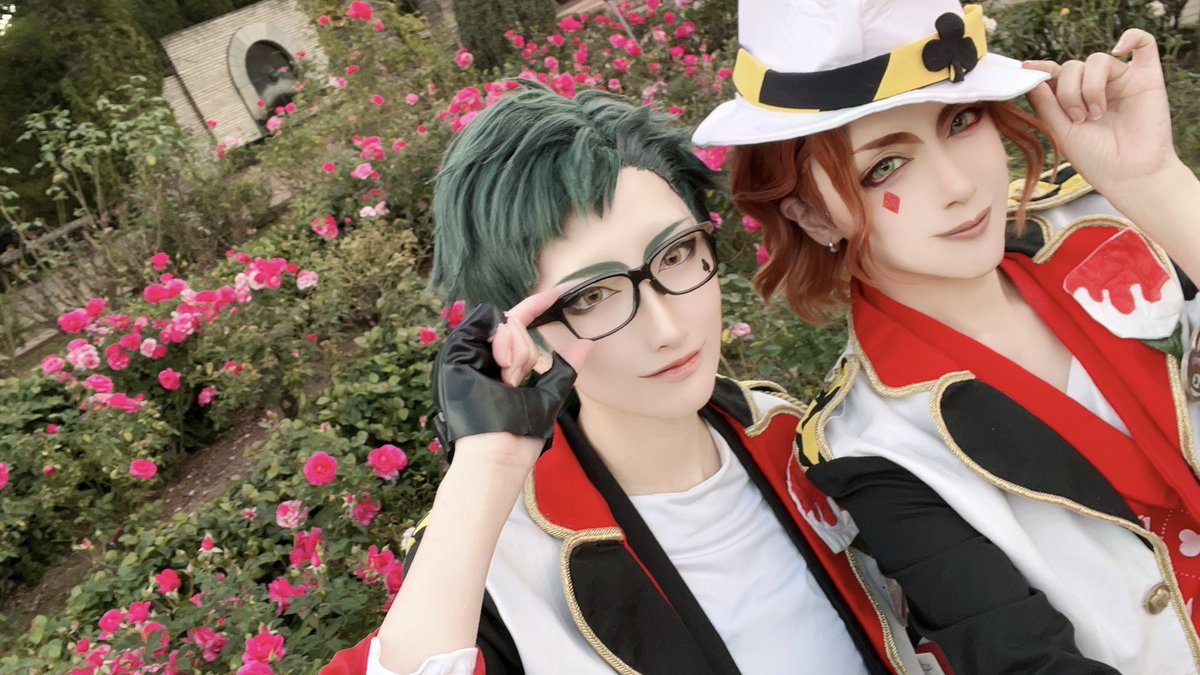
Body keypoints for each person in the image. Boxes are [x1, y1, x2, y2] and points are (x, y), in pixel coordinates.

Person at [322, 85, 930, 674]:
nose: (667, 328)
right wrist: (485, 467)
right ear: (519, 327)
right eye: (592, 296)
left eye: (676, 254)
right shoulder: (499, 565)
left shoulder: (796, 439)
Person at [695, 0, 1200, 672]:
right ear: (813, 217)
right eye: (884, 167)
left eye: (961, 121)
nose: (959, 185)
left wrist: (1158, 183)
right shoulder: (869, 446)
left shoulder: (1114, 220)